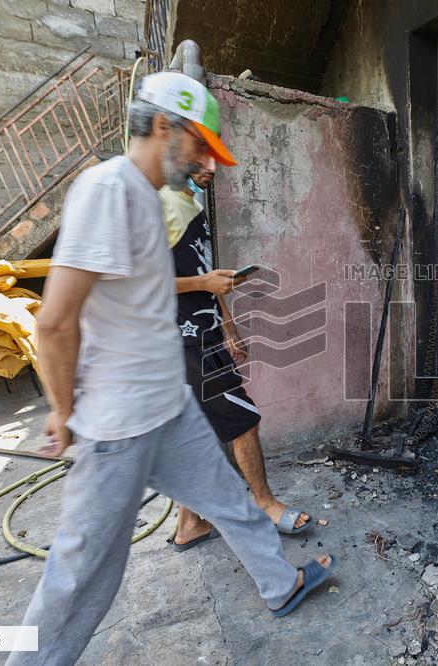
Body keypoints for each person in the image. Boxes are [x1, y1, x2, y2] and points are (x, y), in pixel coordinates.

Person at [8, 71, 334, 665]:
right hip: (120, 423)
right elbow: (54, 321)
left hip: (168, 406)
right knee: (81, 577)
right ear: (164, 126)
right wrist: (62, 410)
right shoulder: (106, 190)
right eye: (201, 146)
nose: (207, 163)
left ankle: (281, 584)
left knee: (233, 504)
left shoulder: (156, 200)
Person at [159, 165, 312, 551]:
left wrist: (227, 324)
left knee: (198, 431)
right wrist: (200, 285)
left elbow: (206, 274)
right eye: (203, 155)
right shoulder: (156, 204)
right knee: (243, 420)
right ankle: (265, 505)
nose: (212, 167)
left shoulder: (191, 204)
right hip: (183, 338)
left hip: (205, 332)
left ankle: (190, 524)